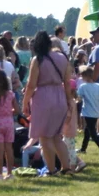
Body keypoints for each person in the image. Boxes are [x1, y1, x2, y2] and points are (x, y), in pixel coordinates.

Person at [22, 30, 76, 176]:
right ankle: (67, 167)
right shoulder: (62, 57)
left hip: (43, 98)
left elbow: (31, 85)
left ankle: (52, 170)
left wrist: (25, 103)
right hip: (59, 96)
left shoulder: (38, 60)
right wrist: (68, 101)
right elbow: (67, 82)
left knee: (44, 137)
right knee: (57, 136)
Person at [77, 66, 99, 156]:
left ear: (85, 76)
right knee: (87, 131)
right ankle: (83, 148)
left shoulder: (82, 86)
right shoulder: (98, 85)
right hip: (95, 113)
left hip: (87, 113)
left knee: (93, 133)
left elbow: (78, 98)